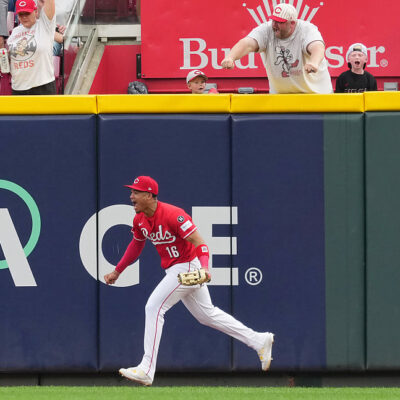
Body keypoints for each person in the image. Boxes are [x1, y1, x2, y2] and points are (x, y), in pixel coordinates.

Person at [104, 176, 274, 386]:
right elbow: (136, 246)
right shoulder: (140, 220)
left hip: (188, 266)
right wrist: (118, 271)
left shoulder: (174, 214)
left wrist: (204, 267)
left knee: (154, 307)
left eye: (136, 192)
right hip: (175, 269)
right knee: (206, 315)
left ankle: (147, 368)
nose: (131, 197)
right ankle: (259, 340)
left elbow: (200, 243)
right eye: (131, 192)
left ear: (149, 195)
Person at [221, 3, 332, 94]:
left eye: (279, 22)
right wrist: (231, 57)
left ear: (292, 23)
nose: (274, 24)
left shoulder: (307, 29)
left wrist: (314, 63)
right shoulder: (267, 28)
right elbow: (247, 43)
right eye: (273, 20)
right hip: (281, 97)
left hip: (315, 95)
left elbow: (317, 47)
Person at [7, 0, 56, 95]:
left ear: (36, 11)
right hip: (18, 88)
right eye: (21, 14)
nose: (24, 17)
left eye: (27, 13)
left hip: (42, 86)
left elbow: (50, 2)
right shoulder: (15, 32)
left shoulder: (44, 25)